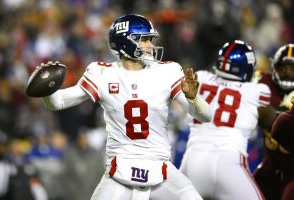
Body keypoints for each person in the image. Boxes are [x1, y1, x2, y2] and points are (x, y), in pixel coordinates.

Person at [35, 14, 212, 200]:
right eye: (145, 40)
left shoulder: (167, 71)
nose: (151, 45)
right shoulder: (102, 73)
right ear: (126, 41)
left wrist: (193, 99)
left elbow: (206, 116)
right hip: (120, 170)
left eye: (150, 40)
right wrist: (46, 89)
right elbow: (57, 102)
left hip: (159, 167)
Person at [179, 40, 276, 200]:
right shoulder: (257, 91)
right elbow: (272, 118)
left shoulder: (201, 77)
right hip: (228, 162)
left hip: (193, 161)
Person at [253, 43, 294, 200]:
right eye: (284, 68)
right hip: (271, 162)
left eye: (292, 69)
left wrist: (272, 116)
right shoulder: (263, 82)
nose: (288, 74)